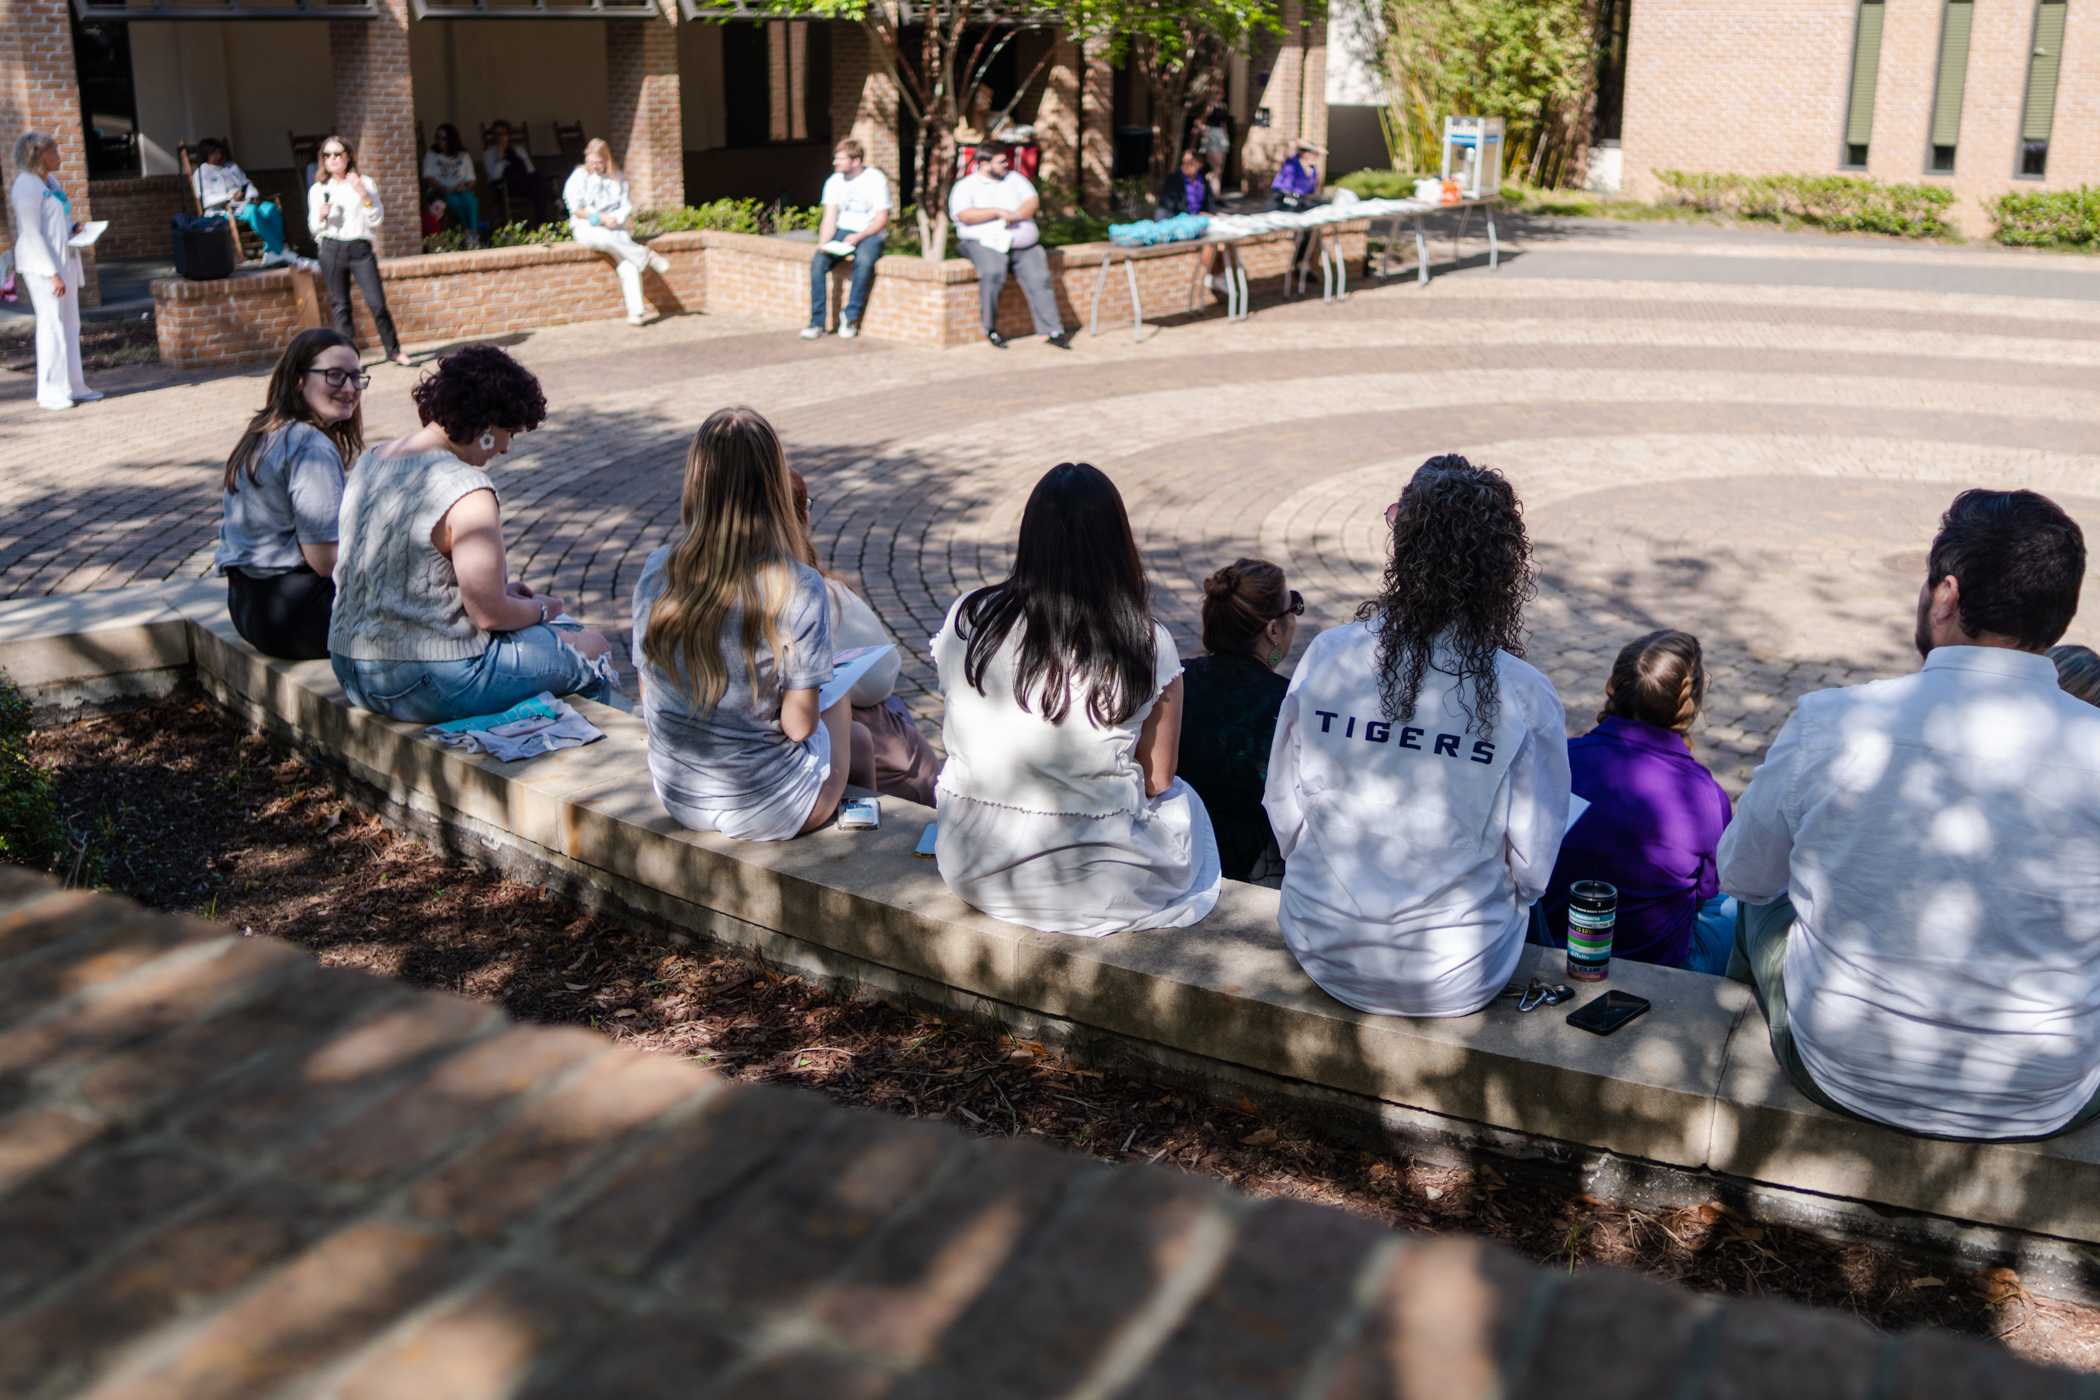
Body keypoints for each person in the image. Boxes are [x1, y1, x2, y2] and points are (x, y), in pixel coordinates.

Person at [1720, 488, 2100, 1142]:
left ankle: (1717, 1031)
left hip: (1840, 1066)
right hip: (2044, 1094)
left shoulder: (1832, 721)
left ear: (1946, 595)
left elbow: (1743, 876)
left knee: (1759, 907)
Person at [1264, 455, 1570, 1017]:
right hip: (1456, 971)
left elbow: (1283, 806)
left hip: (1319, 943)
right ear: (1503, 569)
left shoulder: (1328, 655)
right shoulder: (1526, 693)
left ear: (1404, 550)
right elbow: (1533, 869)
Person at [932, 462, 1220, 936]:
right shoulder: (1146, 642)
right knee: (1188, 805)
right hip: (1096, 884)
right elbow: (1158, 777)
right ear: (1117, 544)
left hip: (971, 863)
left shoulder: (971, 616)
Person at [329, 344, 614, 723]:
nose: (505, 447)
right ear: (485, 423)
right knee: (591, 646)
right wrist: (544, 608)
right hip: (427, 676)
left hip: (351, 667)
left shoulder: (373, 460)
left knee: (553, 635)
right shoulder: (467, 488)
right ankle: (588, 761)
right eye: (506, 432)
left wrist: (501, 595)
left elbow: (401, 582)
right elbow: (490, 615)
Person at [631, 408, 874, 842]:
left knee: (850, 729)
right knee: (843, 708)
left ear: (697, 484)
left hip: (679, 793)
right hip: (770, 806)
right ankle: (867, 849)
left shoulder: (656, 571)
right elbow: (799, 726)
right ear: (774, 488)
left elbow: (649, 692)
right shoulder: (798, 586)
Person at [1538, 630, 1735, 974]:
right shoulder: (1704, 794)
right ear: (1691, 704)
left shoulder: (1561, 760)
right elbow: (1705, 891)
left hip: (1552, 944)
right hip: (1655, 964)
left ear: (1611, 686)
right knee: (1740, 906)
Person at [790, 470, 940, 806]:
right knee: (869, 737)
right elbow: (879, 679)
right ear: (799, 518)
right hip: (804, 780)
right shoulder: (815, 595)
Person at [215, 329, 364, 660]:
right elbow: (326, 562)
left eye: (356, 376)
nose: (350, 388)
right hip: (298, 619)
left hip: (246, 607)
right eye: (335, 376)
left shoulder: (263, 431)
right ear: (299, 380)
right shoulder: (311, 447)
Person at [1177, 559, 1299, 884]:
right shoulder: (1289, 701)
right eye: (1294, 607)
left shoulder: (1175, 679)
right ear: (1273, 629)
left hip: (1178, 846)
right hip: (1255, 868)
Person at [948, 142, 1073, 350]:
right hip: (984, 242)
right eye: (1001, 161)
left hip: (1023, 244)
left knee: (1040, 278)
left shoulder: (1015, 179)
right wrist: (996, 212)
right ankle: (990, 329)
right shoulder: (966, 186)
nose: (1007, 164)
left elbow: (1032, 201)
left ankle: (1054, 330)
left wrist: (1015, 215)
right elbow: (964, 215)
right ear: (983, 164)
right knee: (993, 272)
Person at [8, 131, 101, 412]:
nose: (59, 155)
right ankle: (50, 391)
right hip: (42, 267)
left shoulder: (50, 181)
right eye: (54, 151)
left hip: (65, 260)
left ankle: (75, 385)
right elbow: (32, 233)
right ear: (38, 155)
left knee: (71, 325)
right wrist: (52, 274)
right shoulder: (25, 186)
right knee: (52, 326)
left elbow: (58, 218)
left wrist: (74, 228)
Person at [307, 135, 408, 368]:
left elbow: (377, 218)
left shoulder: (364, 182)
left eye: (337, 154)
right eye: (327, 155)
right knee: (341, 306)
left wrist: (363, 194)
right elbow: (313, 227)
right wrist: (321, 217)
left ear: (348, 156)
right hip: (331, 248)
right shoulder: (318, 189)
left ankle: (393, 351)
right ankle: (350, 358)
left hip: (360, 248)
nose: (332, 159)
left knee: (377, 303)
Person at [564, 138, 669, 328]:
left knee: (629, 265)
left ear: (606, 160)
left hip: (615, 228)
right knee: (605, 240)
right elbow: (576, 210)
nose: (594, 165)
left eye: (598, 162)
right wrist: (601, 219)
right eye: (591, 161)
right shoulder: (579, 177)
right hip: (588, 227)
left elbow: (625, 205)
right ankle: (646, 255)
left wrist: (615, 219)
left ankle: (636, 313)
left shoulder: (617, 177)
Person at [803, 138, 890, 341]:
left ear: (856, 160)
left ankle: (850, 317)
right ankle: (817, 322)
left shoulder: (875, 179)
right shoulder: (834, 181)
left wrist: (859, 236)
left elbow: (882, 218)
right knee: (818, 264)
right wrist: (822, 244)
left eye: (840, 158)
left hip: (870, 233)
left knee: (865, 262)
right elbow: (830, 217)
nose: (835, 162)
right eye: (836, 158)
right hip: (843, 231)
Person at [191, 138, 290, 264]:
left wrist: (251, 195)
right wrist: (230, 196)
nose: (218, 156)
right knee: (252, 211)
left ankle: (270, 251)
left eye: (219, 152)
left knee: (271, 208)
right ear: (206, 155)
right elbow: (206, 200)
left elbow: (247, 183)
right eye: (214, 153)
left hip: (246, 202)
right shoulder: (201, 173)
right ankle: (280, 251)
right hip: (224, 210)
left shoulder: (231, 167)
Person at [1155, 148, 1225, 294]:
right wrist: (1194, 217)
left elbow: (1209, 203)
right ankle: (1213, 275)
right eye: (1184, 162)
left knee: (1224, 242)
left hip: (1198, 221)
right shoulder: (1174, 180)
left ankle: (1220, 275)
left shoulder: (1202, 180)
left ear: (1199, 164)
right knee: (1211, 243)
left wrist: (1210, 214)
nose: (1186, 166)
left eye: (1191, 163)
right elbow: (1169, 208)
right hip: (1180, 223)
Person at [1268, 138, 1325, 277]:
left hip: (1301, 204)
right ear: (1306, 154)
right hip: (1285, 202)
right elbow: (1284, 189)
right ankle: (1299, 264)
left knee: (1311, 227)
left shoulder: (1312, 170)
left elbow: (1312, 191)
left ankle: (1302, 263)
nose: (1317, 158)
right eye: (1314, 154)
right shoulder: (1291, 164)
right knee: (1302, 227)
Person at [421, 124, 481, 248]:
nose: (439, 141)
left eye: (443, 138)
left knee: (471, 201)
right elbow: (428, 177)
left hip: (461, 191)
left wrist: (463, 186)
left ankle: (472, 234)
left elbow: (472, 180)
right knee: (453, 202)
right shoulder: (432, 154)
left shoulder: (463, 155)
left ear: (452, 139)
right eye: (437, 137)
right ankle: (468, 233)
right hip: (439, 192)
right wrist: (444, 188)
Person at [482, 121, 549, 225]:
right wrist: (500, 158)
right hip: (503, 188)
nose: (500, 137)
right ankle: (555, 203)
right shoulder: (488, 154)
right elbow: (495, 176)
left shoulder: (518, 150)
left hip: (524, 184)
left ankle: (541, 224)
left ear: (508, 135)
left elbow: (530, 170)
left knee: (538, 183)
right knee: (539, 187)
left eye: (503, 134)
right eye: (497, 134)